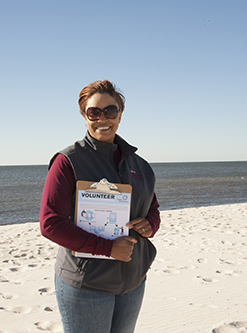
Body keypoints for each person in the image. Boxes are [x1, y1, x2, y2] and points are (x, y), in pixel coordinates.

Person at [40, 79, 160, 333]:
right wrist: (107, 248)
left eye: (110, 110)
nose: (102, 118)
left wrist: (150, 224)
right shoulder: (68, 161)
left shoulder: (139, 164)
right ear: (84, 115)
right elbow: (50, 224)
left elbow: (152, 208)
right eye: (94, 112)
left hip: (133, 281)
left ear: (120, 113)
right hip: (87, 285)